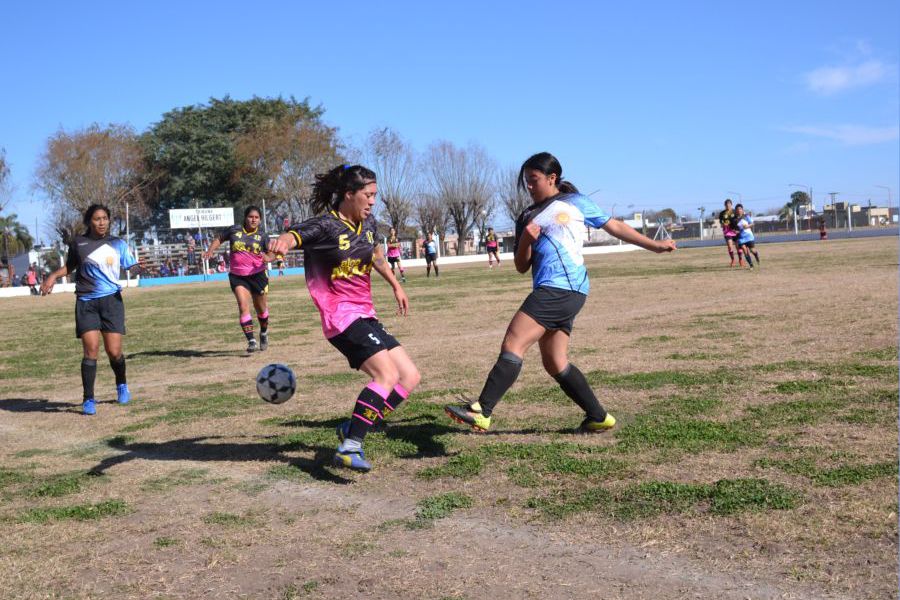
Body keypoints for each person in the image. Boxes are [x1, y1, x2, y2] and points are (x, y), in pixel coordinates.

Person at [444, 152, 676, 434]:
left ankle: (482, 410)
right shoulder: (527, 217)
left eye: (534, 180)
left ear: (552, 178)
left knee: (513, 343)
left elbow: (614, 226)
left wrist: (655, 245)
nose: (528, 186)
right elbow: (521, 265)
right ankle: (598, 416)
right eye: (525, 181)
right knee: (555, 361)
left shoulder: (576, 203)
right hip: (560, 291)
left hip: (561, 287)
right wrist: (527, 240)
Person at [268, 164, 421, 472]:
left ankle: (353, 428)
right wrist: (282, 242)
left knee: (409, 377)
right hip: (340, 316)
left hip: (365, 314)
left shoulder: (369, 223)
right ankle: (350, 447)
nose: (373, 201)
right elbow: (295, 235)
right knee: (386, 376)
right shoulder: (326, 225)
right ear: (349, 195)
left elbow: (376, 255)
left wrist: (395, 285)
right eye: (368, 195)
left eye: (375, 195)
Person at [40, 204, 143, 415]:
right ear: (89, 222)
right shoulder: (79, 243)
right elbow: (70, 266)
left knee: (114, 352)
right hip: (86, 302)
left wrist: (136, 267)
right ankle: (88, 399)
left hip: (111, 302)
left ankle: (121, 385)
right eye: (97, 219)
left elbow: (130, 264)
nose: (102, 222)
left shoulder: (117, 243)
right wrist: (52, 276)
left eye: (105, 218)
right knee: (91, 351)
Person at [204, 206, 276, 352]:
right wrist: (211, 250)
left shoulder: (263, 236)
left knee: (261, 309)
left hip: (258, 276)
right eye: (250, 217)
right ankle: (251, 341)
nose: (253, 219)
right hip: (238, 276)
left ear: (260, 220)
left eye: (256, 217)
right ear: (245, 217)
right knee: (243, 305)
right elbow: (219, 238)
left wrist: (268, 257)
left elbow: (271, 253)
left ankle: (263, 332)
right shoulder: (234, 230)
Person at [718, 199, 743, 267]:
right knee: (730, 246)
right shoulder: (722, 213)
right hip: (727, 231)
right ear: (724, 205)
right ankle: (733, 260)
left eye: (729, 204)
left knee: (738, 246)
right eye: (726, 205)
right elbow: (721, 222)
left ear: (731, 205)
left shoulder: (735, 211)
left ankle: (740, 259)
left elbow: (740, 217)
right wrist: (723, 224)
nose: (727, 206)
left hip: (735, 231)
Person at [734, 204, 760, 269]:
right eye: (737, 210)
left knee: (752, 250)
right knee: (744, 250)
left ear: (742, 210)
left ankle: (756, 255)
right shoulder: (735, 220)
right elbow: (735, 229)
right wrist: (736, 231)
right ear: (736, 211)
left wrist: (747, 226)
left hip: (749, 236)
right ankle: (751, 265)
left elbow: (752, 223)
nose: (739, 211)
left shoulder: (746, 216)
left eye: (740, 209)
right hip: (741, 237)